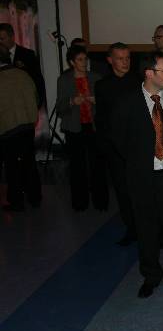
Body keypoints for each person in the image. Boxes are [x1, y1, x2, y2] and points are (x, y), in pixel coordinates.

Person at [111, 51, 163, 303]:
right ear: (149, 73)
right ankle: (151, 275)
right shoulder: (127, 102)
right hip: (142, 178)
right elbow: (119, 139)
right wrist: (140, 162)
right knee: (146, 229)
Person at [95, 42, 141, 245]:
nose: (125, 62)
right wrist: (107, 147)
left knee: (143, 190)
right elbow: (102, 119)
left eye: (128, 58)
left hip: (139, 146)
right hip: (116, 149)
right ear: (110, 60)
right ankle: (132, 228)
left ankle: (149, 229)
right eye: (120, 58)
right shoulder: (102, 86)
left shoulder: (139, 81)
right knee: (123, 191)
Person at [56, 45, 108, 211]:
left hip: (93, 127)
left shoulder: (96, 77)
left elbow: (107, 104)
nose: (84, 62)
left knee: (97, 165)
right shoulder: (64, 80)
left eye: (85, 59)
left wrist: (97, 101)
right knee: (77, 167)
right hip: (74, 128)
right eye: (80, 59)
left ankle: (101, 202)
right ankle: (80, 203)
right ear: (72, 62)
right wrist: (72, 101)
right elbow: (60, 108)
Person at [0, 44, 38, 212]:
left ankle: (16, 202)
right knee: (29, 162)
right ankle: (35, 197)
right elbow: (36, 98)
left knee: (12, 167)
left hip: (8, 129)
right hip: (28, 126)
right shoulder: (24, 75)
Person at [0, 23, 46, 107]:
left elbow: (38, 81)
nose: (0, 42)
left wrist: (36, 105)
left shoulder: (28, 55)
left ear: (12, 37)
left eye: (2, 39)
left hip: (25, 105)